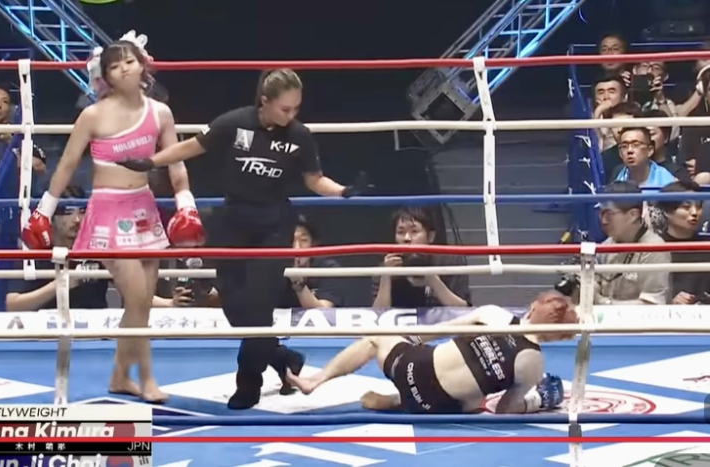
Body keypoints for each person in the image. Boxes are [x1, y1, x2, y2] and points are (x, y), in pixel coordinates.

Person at [118, 68, 370, 409]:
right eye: (285, 108)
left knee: (258, 306)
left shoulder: (299, 136)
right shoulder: (235, 122)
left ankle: (248, 382)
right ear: (265, 101)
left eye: (296, 108)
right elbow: (191, 147)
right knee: (236, 309)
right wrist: (150, 161)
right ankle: (283, 357)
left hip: (274, 226)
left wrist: (343, 191)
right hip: (233, 222)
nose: (291, 115)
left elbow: (314, 179)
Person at [21, 31, 205, 404]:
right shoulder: (93, 115)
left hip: (144, 206)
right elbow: (66, 166)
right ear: (104, 75)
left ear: (143, 65)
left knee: (141, 303)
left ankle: (120, 377)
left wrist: (187, 205)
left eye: (129, 61)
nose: (123, 69)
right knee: (137, 299)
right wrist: (43, 212)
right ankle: (147, 379)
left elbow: (176, 164)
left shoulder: (160, 113)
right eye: (115, 65)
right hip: (108, 211)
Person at [286, 291, 577, 414]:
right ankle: (399, 401)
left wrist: (408, 341)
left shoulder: (493, 314)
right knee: (477, 397)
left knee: (377, 337)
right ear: (559, 336)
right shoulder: (533, 364)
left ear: (533, 306)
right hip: (437, 406)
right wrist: (537, 402)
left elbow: (441, 328)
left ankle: (315, 380)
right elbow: (504, 410)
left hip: (410, 370)